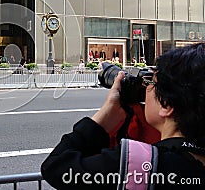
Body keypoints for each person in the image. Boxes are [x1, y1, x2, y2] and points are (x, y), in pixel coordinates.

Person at [41, 43, 205, 189]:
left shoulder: (141, 165)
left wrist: (102, 118)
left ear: (166, 105)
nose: (144, 90)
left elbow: (56, 167)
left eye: (150, 83)